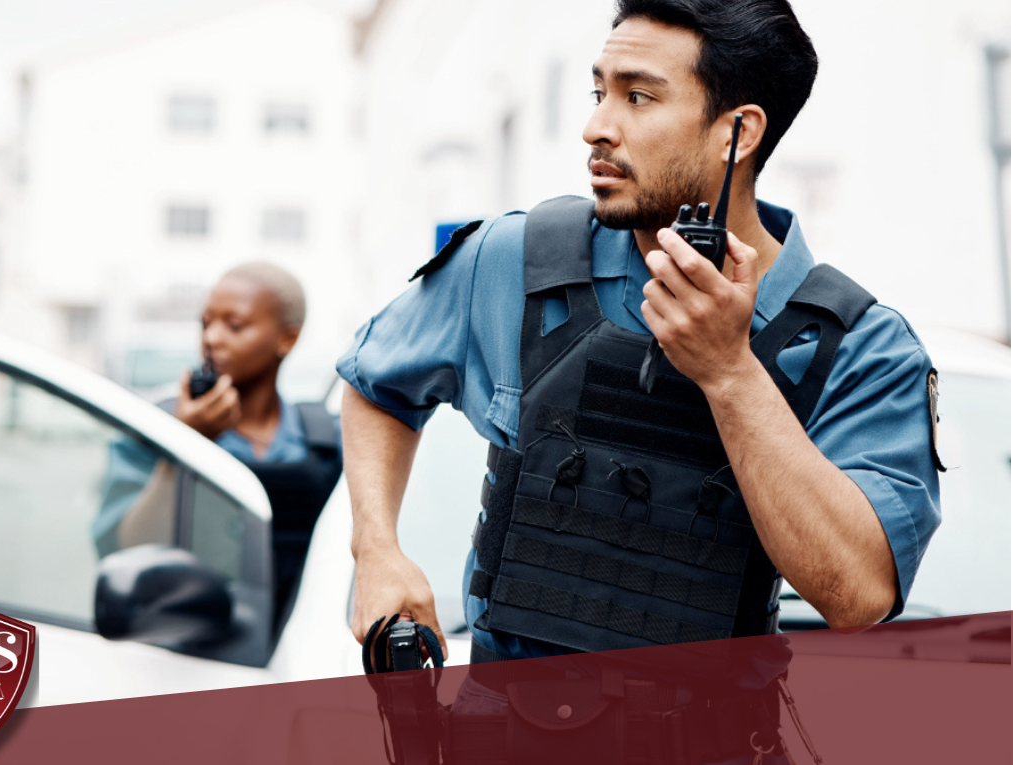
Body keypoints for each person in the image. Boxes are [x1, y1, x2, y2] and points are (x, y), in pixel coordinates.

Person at [339, 0, 941, 760]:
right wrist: (376, 548)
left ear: (738, 132)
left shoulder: (862, 347)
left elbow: (855, 595)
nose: (596, 127)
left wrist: (728, 372)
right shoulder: (518, 260)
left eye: (639, 96)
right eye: (599, 92)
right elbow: (374, 382)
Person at [93, 261, 342, 622]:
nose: (211, 338)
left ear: (288, 338)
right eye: (206, 323)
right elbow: (124, 547)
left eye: (235, 325)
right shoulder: (152, 428)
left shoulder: (329, 440)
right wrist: (185, 444)